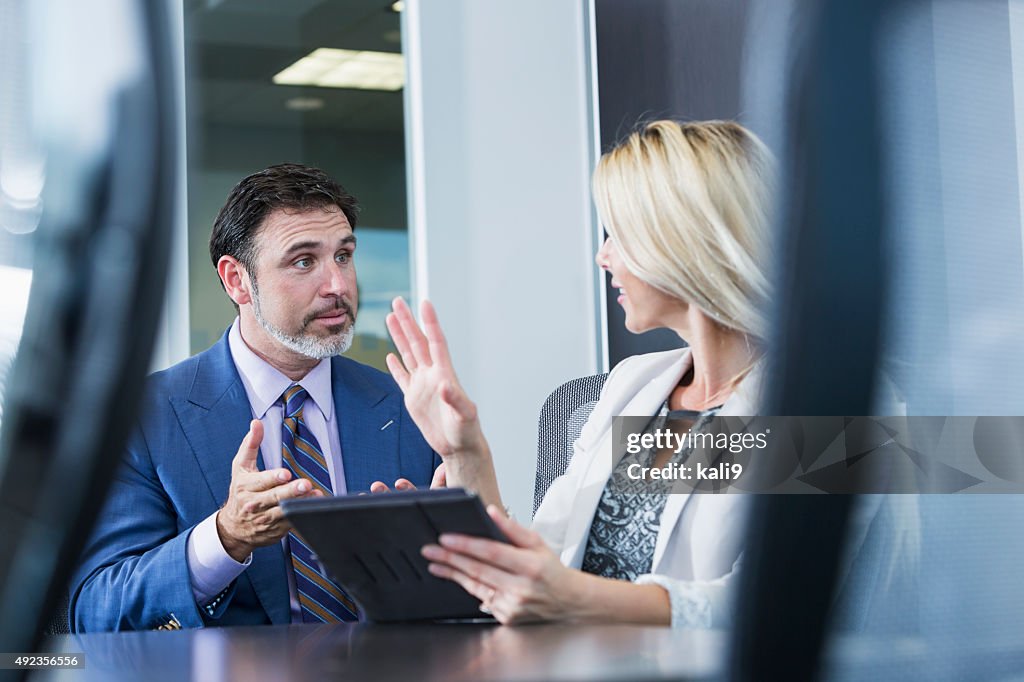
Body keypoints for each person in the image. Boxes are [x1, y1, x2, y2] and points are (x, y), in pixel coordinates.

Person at [378, 120, 774, 627]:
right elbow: (546, 560)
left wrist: (573, 598)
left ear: (681, 240)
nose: (602, 255)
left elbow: (778, 604)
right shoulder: (631, 386)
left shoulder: (826, 406)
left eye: (618, 234)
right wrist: (465, 452)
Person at [70, 163, 440, 631]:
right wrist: (225, 537)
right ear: (236, 281)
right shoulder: (144, 416)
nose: (339, 286)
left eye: (343, 256)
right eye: (304, 261)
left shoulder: (405, 402)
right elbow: (97, 609)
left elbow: (462, 599)